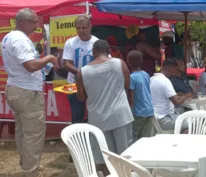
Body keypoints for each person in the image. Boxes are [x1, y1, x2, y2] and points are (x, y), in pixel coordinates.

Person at [1, 8, 58, 177]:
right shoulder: (21, 39)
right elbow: (31, 66)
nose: (37, 25)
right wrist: (49, 58)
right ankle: (30, 172)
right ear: (23, 21)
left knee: (23, 132)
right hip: (26, 91)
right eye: (34, 22)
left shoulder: (9, 37)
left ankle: (26, 165)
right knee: (33, 135)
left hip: (15, 88)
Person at [76, 40, 134, 175]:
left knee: (105, 156)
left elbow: (81, 97)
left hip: (98, 119)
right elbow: (127, 84)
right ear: (109, 50)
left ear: (93, 52)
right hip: (120, 115)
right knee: (126, 154)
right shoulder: (119, 63)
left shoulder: (82, 72)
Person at [62, 15, 99, 124]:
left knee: (95, 114)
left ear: (90, 27)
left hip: (93, 83)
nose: (81, 31)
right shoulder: (70, 42)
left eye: (83, 27)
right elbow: (66, 63)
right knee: (77, 116)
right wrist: (82, 73)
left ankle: (94, 139)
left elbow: (104, 61)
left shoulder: (97, 43)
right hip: (73, 83)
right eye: (78, 28)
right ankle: (79, 139)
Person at [150, 58, 189, 131]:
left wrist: (177, 95)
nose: (175, 72)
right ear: (171, 68)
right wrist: (185, 96)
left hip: (156, 118)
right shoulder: (165, 81)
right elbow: (177, 102)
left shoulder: (152, 79)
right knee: (193, 121)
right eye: (175, 69)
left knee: (181, 112)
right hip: (164, 119)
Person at [126, 50, 155, 141]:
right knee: (146, 139)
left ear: (128, 62)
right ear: (141, 61)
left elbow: (131, 99)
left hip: (138, 112)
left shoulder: (131, 77)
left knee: (134, 138)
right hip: (149, 109)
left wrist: (128, 112)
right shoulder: (146, 74)